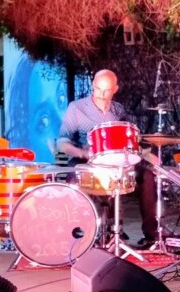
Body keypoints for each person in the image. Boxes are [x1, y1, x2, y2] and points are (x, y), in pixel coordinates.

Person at [56, 69, 160, 247]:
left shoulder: (118, 110)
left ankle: (151, 235)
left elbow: (129, 140)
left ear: (115, 89)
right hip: (86, 160)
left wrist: (144, 153)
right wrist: (82, 153)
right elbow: (61, 142)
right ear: (93, 86)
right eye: (98, 89)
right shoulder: (76, 108)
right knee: (73, 179)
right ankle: (81, 234)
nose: (101, 95)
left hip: (116, 161)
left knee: (148, 176)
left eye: (106, 91)